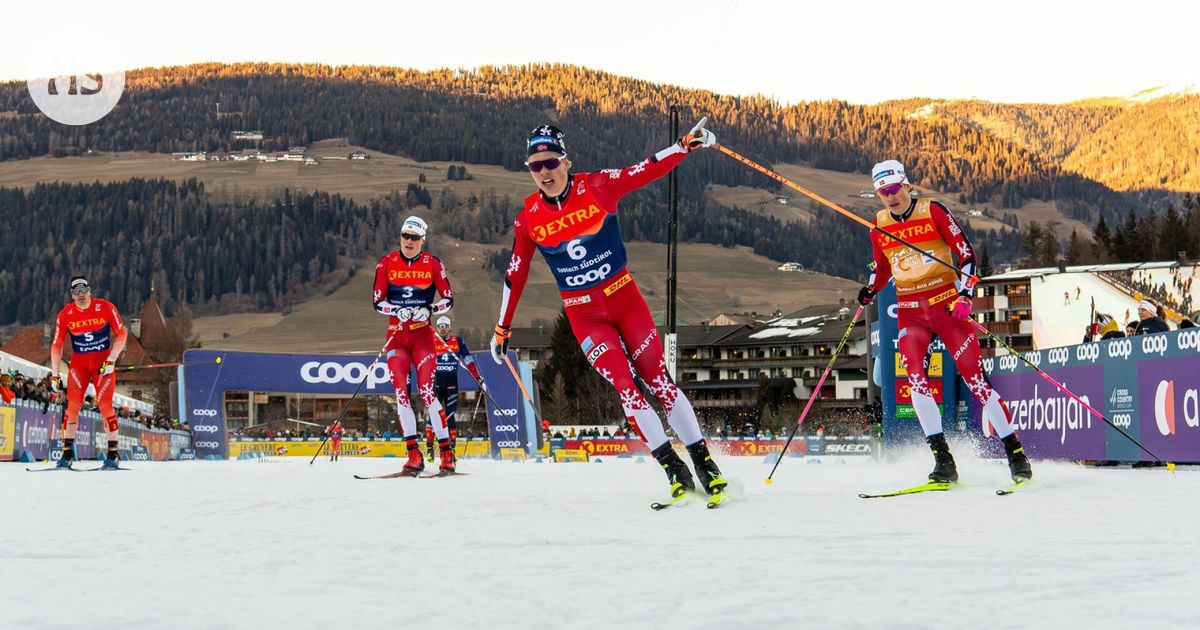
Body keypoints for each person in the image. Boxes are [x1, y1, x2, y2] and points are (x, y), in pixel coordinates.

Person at [490, 122, 728, 501]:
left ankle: (704, 463)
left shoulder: (597, 186)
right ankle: (673, 468)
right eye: (536, 166)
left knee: (659, 381)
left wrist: (684, 146)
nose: (545, 173)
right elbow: (515, 274)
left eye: (550, 162)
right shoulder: (528, 218)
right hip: (585, 316)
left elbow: (643, 169)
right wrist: (502, 328)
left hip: (624, 299)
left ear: (566, 161)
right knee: (628, 389)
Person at [857, 160, 1031, 484]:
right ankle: (943, 460)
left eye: (894, 190)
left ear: (906, 185)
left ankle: (1015, 453)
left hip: (946, 306)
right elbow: (882, 270)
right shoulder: (878, 225)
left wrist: (965, 295)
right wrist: (871, 290)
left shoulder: (932, 211)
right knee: (915, 380)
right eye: (883, 193)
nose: (890, 197)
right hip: (910, 311)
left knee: (975, 379)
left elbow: (966, 255)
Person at [373, 215, 458, 476]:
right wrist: (397, 310)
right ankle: (413, 453)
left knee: (427, 394)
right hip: (397, 337)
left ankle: (446, 454)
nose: (409, 242)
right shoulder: (387, 263)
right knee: (401, 395)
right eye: (405, 236)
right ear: (400, 237)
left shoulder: (433, 263)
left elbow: (448, 300)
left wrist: (428, 309)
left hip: (422, 338)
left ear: (423, 239)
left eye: (414, 237)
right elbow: (377, 301)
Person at [49, 276, 127, 469]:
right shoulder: (65, 315)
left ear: (90, 290)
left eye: (84, 290)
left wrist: (111, 360)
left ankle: (113, 453)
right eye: (76, 292)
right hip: (79, 366)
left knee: (105, 406)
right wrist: (55, 373)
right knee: (72, 407)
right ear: (72, 295)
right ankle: (67, 454)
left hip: (103, 365)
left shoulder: (106, 307)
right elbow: (57, 345)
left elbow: (122, 333)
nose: (81, 295)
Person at [433, 315, 483, 453]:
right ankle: (430, 448)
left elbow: (468, 359)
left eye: (445, 326)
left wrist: (477, 376)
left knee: (450, 415)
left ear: (449, 328)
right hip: (436, 384)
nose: (442, 329)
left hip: (451, 384)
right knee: (434, 415)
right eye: (440, 326)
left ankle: (452, 449)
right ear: (437, 328)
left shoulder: (458, 341)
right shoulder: (432, 340)